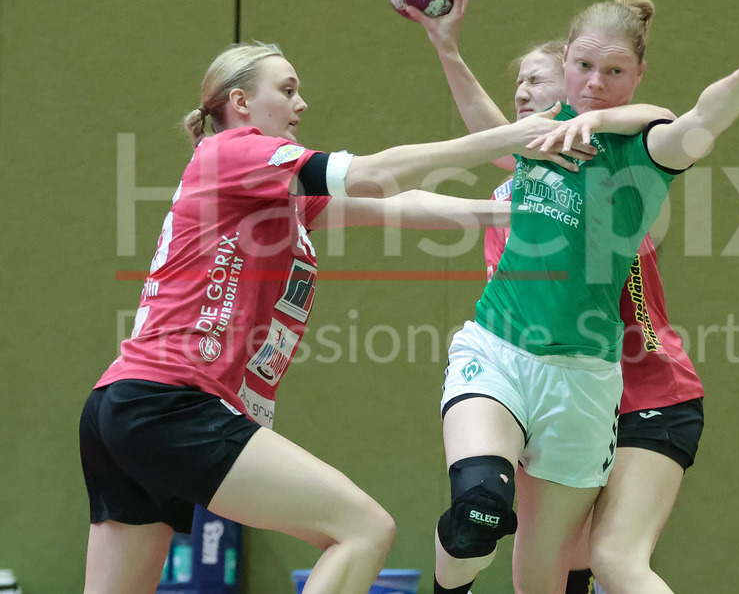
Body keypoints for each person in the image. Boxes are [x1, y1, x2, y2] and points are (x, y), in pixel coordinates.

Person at [78, 41, 597, 594]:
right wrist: (509, 137)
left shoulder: (269, 190)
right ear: (241, 102)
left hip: (123, 405)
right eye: (287, 90)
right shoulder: (235, 151)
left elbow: (398, 206)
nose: (301, 104)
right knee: (363, 529)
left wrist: (517, 211)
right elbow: (373, 174)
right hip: (172, 401)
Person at [406, 0, 739, 594]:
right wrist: (447, 48)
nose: (594, 81)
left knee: (563, 571)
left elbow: (697, 119)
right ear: (567, 59)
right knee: (479, 508)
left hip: (590, 380)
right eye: (584, 66)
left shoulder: (644, 153)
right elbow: (483, 129)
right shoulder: (540, 137)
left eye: (614, 71)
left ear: (638, 74)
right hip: (498, 350)